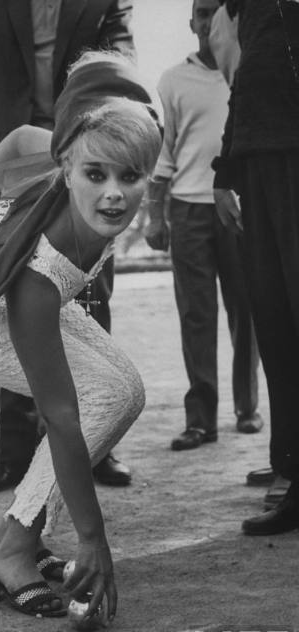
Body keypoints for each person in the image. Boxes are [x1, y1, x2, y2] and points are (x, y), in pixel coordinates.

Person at [0, 51, 162, 618]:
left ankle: (13, 529)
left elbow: (23, 136)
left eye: (130, 176)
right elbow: (60, 415)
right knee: (94, 399)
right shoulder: (40, 273)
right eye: (96, 175)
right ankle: (15, 549)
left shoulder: (81, 148)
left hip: (6, 283)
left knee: (125, 393)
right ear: (67, 168)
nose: (113, 193)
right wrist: (94, 539)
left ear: (150, 173)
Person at [0, 0, 136, 493]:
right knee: (10, 294)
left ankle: (96, 444)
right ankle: (14, 451)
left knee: (90, 297)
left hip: (89, 158)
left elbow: (122, 72)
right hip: (14, 161)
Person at [146, 0, 261, 452]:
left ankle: (247, 407)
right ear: (191, 21)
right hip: (188, 209)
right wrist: (155, 215)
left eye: (216, 10)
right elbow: (164, 153)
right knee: (196, 314)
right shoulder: (173, 80)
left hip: (238, 207)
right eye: (201, 11)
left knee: (246, 309)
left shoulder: (248, 70)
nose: (208, 20)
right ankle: (200, 420)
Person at [213, 0, 299, 535]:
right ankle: (293, 479)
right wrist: (225, 170)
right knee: (276, 323)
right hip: (257, 164)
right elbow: (246, 81)